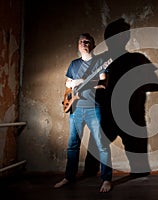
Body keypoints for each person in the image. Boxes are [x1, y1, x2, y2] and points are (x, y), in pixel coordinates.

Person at [101, 18, 158, 177]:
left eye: (122, 35)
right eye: (115, 36)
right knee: (95, 154)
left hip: (133, 115)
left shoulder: (137, 60)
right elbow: (93, 90)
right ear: (108, 39)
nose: (120, 39)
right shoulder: (100, 62)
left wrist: (142, 84)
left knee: (140, 168)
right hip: (107, 114)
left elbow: (156, 84)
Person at [54, 33, 113, 192]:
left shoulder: (101, 61)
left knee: (101, 145)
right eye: (81, 41)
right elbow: (68, 85)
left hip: (94, 108)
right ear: (78, 45)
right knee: (72, 145)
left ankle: (106, 179)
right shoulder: (73, 64)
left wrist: (80, 82)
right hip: (76, 109)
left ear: (93, 45)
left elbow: (103, 83)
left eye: (87, 41)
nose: (83, 43)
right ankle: (69, 176)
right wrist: (69, 97)